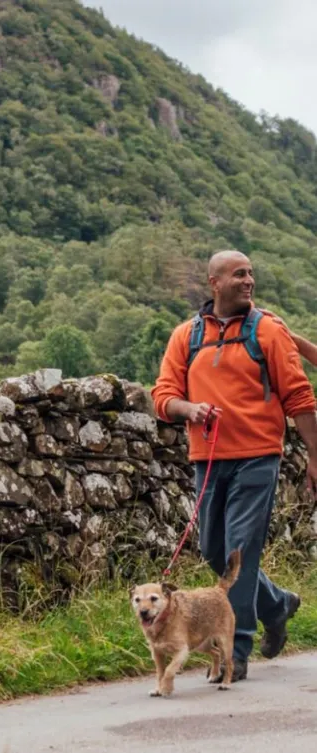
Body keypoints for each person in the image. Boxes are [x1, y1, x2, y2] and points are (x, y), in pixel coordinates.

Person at [151, 249, 317, 682]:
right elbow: (162, 396)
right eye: (238, 274)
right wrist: (189, 409)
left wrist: (315, 454)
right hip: (207, 458)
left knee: (240, 548)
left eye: (251, 274)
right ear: (214, 283)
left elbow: (300, 398)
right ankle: (276, 605)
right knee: (213, 550)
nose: (248, 281)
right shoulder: (185, 336)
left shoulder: (268, 332)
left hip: (259, 456)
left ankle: (237, 649)